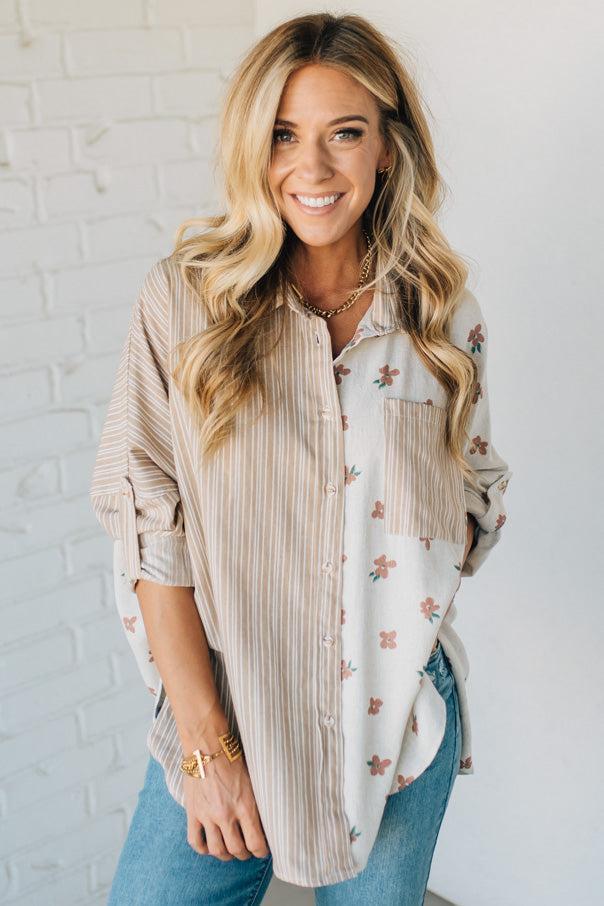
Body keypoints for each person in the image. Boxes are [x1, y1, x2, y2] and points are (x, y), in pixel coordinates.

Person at [90, 12, 513, 905]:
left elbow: (470, 497)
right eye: (284, 134)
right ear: (254, 144)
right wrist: (207, 748)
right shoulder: (185, 302)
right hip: (228, 710)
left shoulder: (442, 316)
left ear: (388, 149)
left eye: (344, 134)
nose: (312, 170)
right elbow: (146, 527)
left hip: (394, 716)